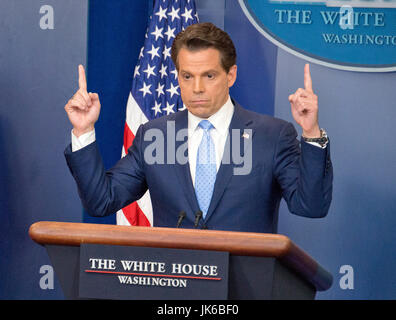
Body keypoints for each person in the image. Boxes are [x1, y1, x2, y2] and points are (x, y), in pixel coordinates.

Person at [64, 23, 332, 233]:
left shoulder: (272, 136)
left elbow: (310, 206)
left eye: (209, 76)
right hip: (173, 289)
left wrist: (311, 133)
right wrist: (84, 131)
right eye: (187, 76)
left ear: (231, 75)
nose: (197, 88)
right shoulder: (154, 136)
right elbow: (102, 201)